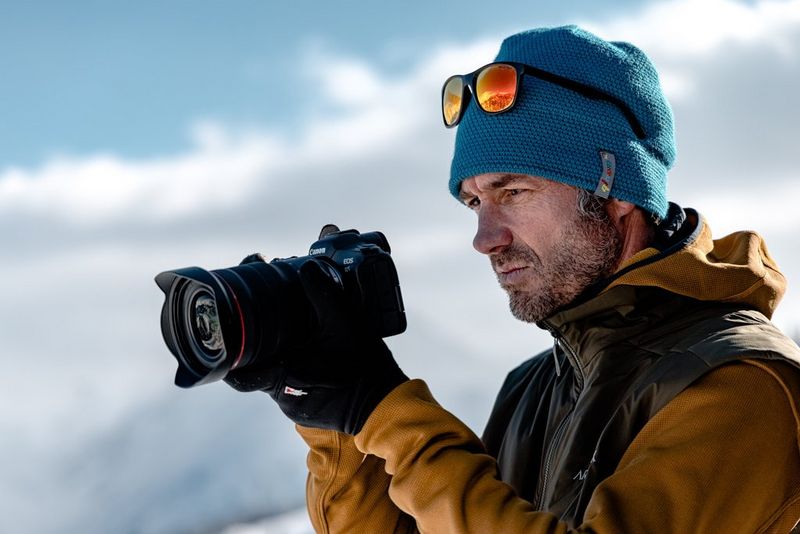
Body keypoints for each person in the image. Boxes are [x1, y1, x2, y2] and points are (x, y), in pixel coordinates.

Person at [225, 25, 800, 532]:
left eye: (513, 192)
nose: (485, 238)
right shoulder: (534, 389)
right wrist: (337, 416)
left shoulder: (738, 383)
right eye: (475, 202)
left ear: (617, 192)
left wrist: (387, 411)